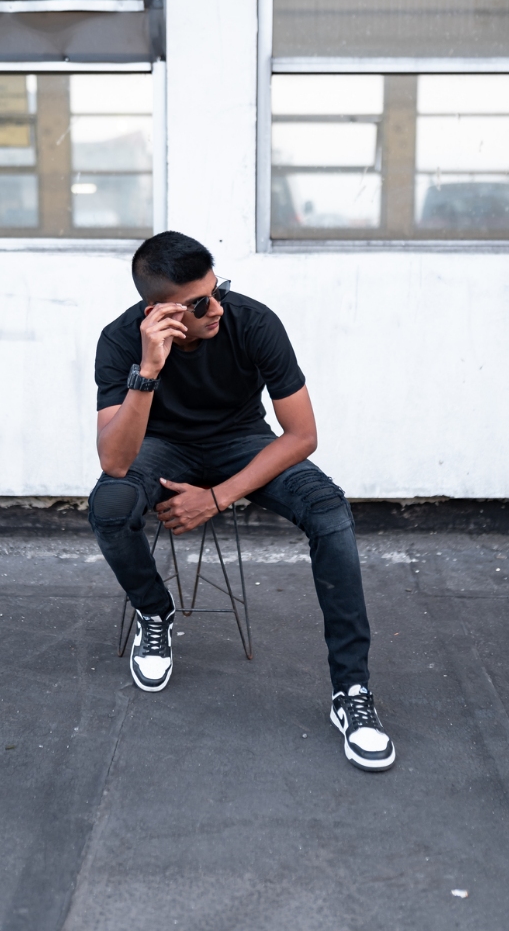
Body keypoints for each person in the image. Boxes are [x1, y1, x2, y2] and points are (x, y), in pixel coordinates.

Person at [88, 231, 395, 772]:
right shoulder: (119, 341)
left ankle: (352, 691)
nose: (217, 309)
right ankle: (155, 611)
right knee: (109, 505)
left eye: (218, 290)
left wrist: (217, 497)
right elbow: (115, 460)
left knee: (329, 510)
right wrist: (149, 369)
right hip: (161, 449)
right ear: (158, 313)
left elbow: (302, 435)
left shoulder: (253, 322)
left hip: (241, 443)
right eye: (199, 304)